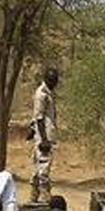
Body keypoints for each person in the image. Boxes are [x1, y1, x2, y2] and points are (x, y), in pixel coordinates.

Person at [31, 68, 60, 203]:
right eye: (52, 80)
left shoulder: (49, 93)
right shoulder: (41, 94)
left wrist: (32, 130)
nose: (55, 83)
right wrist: (44, 139)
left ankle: (34, 197)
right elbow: (39, 117)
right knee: (43, 166)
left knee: (38, 167)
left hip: (46, 134)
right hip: (45, 136)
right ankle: (44, 198)